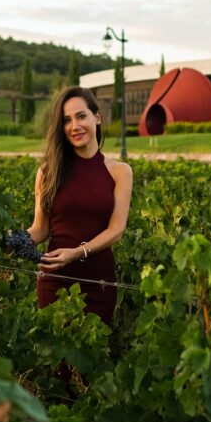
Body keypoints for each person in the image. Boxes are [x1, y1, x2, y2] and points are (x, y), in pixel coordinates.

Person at [26, 86, 133, 325]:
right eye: (66, 120)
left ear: (97, 117)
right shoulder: (47, 172)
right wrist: (12, 238)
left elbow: (117, 229)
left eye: (81, 116)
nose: (74, 126)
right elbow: (40, 229)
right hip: (55, 280)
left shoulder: (120, 172)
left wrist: (77, 253)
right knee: (60, 359)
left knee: (92, 357)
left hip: (99, 282)